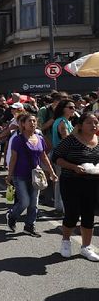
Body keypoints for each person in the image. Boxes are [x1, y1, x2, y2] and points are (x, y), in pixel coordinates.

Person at [52, 112, 99, 261]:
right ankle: (66, 241)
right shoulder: (70, 140)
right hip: (71, 181)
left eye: (96, 122)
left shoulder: (98, 140)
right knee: (72, 214)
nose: (94, 126)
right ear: (80, 125)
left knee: (89, 215)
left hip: (93, 182)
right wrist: (74, 167)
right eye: (90, 123)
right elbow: (56, 158)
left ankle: (86, 247)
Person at [6, 114, 57, 237]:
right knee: (24, 202)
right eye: (29, 121)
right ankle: (12, 216)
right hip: (20, 175)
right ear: (23, 124)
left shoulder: (40, 139)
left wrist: (52, 172)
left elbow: (43, 156)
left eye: (34, 121)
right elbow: (13, 158)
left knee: (34, 202)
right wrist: (9, 175)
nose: (32, 123)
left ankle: (29, 226)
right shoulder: (17, 139)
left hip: (36, 175)